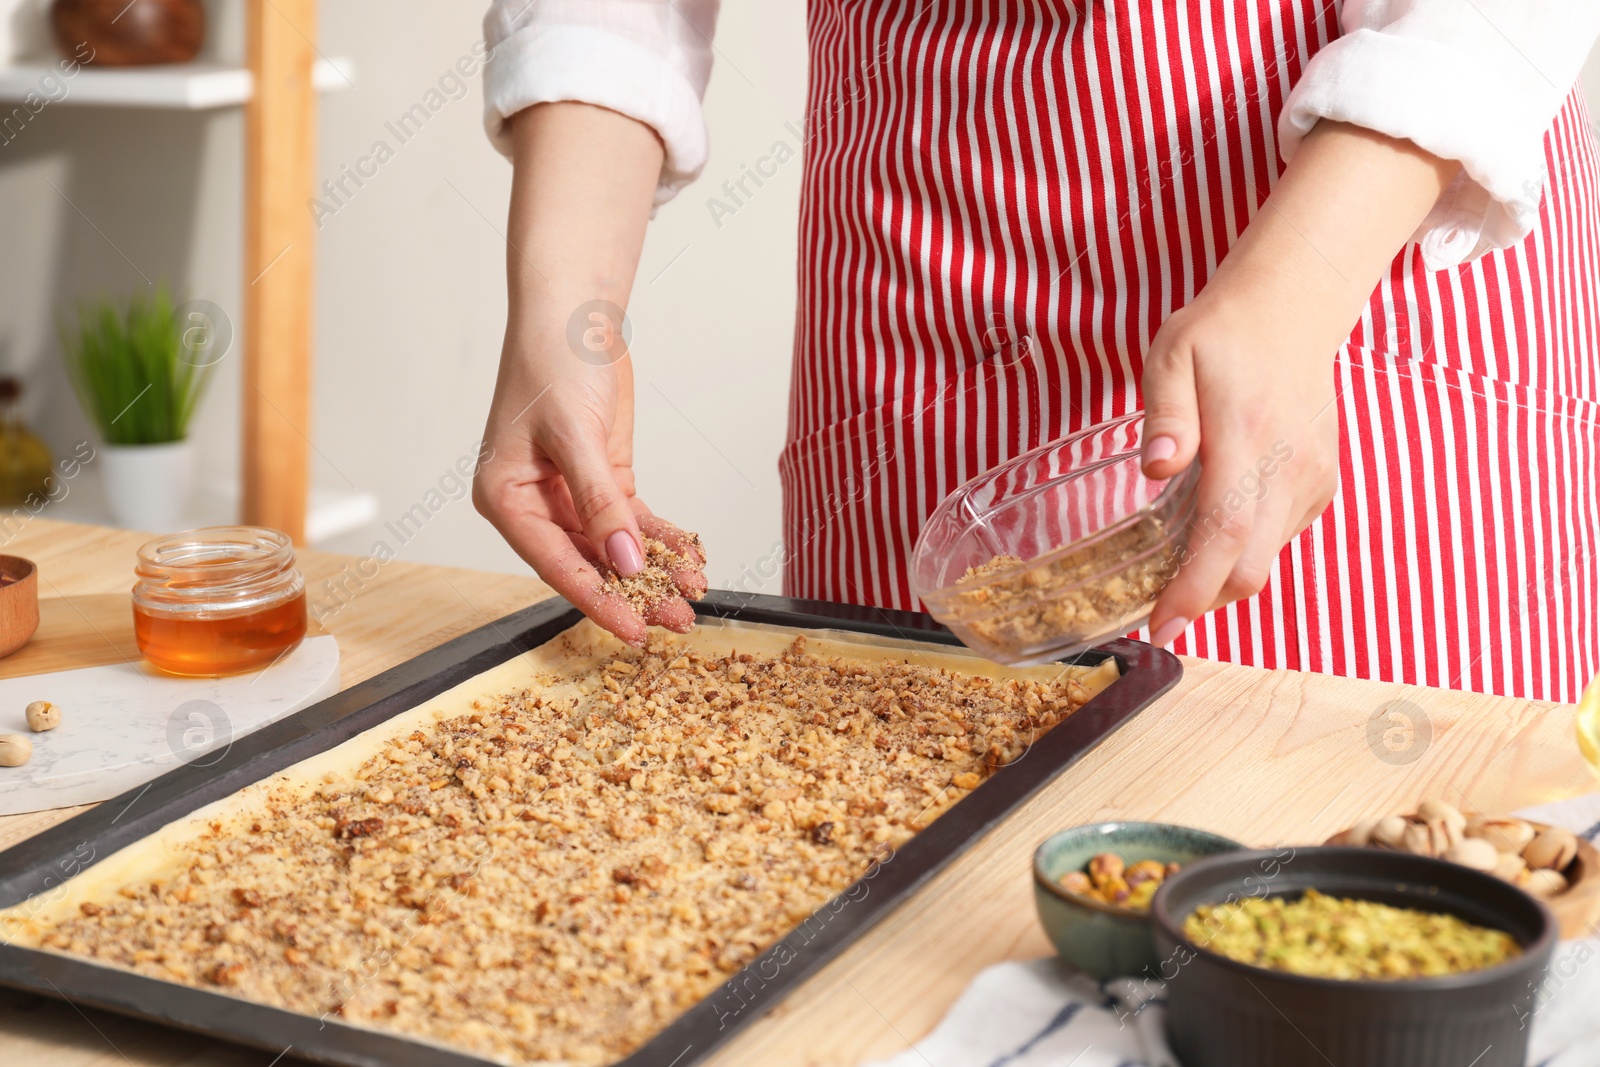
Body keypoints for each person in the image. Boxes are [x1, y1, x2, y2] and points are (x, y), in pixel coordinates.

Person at [471, 0, 1600, 702]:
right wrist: (565, 312)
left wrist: (1301, 286)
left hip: (1361, 243)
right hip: (921, 279)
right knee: (914, 918)